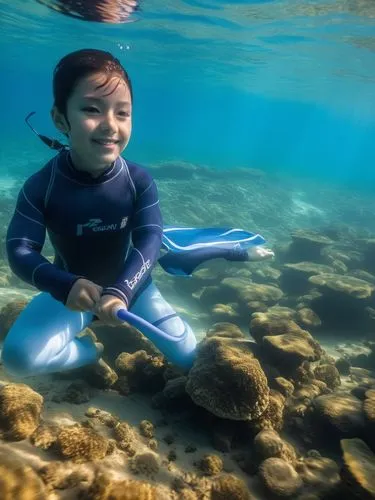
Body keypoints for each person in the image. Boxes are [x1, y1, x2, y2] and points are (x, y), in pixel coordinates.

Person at [2, 48, 273, 379]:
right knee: (17, 359)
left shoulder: (138, 180)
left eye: (122, 113)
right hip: (73, 294)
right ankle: (89, 352)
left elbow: (150, 238)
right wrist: (63, 284)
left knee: (190, 361)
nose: (110, 125)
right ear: (60, 119)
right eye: (91, 109)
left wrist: (122, 291)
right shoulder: (41, 186)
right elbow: (19, 249)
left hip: (134, 289)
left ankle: (229, 251)